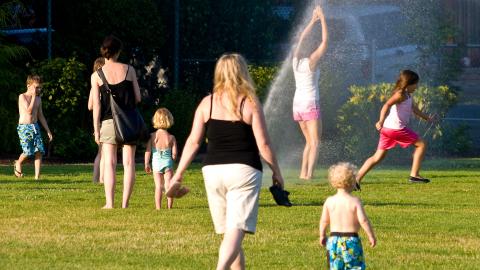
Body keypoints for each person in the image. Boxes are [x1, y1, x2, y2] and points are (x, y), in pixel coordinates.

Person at [167, 53, 285, 270]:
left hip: (213, 173)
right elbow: (264, 145)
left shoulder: (207, 103)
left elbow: (193, 142)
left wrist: (178, 173)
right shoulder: (249, 103)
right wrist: (276, 172)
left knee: (230, 235)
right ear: (243, 72)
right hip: (244, 171)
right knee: (235, 231)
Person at [355, 70, 433, 189]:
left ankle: (356, 179)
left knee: (377, 157)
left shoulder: (408, 95)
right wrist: (380, 120)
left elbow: (415, 109)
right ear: (408, 83)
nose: (417, 86)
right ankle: (414, 175)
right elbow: (386, 105)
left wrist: (427, 118)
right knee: (421, 144)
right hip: (396, 129)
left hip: (387, 129)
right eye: (416, 84)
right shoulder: (400, 94)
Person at [91, 35, 141, 209]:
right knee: (129, 163)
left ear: (103, 52)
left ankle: (110, 203)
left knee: (110, 163)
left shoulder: (96, 75)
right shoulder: (129, 70)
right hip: (128, 121)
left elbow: (96, 106)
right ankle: (125, 204)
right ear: (118, 51)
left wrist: (96, 129)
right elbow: (138, 98)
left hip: (107, 122)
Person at [292, 5, 328, 180]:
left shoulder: (295, 61)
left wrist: (312, 21)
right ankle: (309, 175)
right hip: (310, 103)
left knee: (308, 142)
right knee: (315, 142)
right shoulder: (311, 61)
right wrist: (322, 19)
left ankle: (302, 174)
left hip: (298, 105)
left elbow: (301, 38)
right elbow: (325, 42)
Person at [319, 162, 376, 270]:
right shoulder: (355, 201)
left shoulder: (329, 201)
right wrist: (370, 235)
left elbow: (324, 221)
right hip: (351, 241)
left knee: (335, 267)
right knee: (355, 266)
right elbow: (363, 220)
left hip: (333, 240)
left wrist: (322, 235)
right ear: (353, 182)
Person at [14, 75, 53, 180]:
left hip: (35, 127)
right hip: (24, 128)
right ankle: (18, 163)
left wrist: (48, 130)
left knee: (39, 151)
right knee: (28, 152)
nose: (38, 90)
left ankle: (37, 177)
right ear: (28, 86)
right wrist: (34, 97)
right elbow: (29, 111)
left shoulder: (39, 99)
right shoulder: (22, 97)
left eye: (39, 87)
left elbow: (40, 115)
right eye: (36, 87)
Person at [144, 108, 177, 209]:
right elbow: (174, 154)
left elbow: (148, 151)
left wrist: (146, 163)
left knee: (158, 186)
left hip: (156, 164)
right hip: (168, 163)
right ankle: (169, 207)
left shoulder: (152, 136)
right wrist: (173, 160)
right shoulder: (171, 137)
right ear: (169, 120)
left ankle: (158, 207)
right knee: (168, 186)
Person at [88, 57, 105, 184]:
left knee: (100, 152)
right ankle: (102, 178)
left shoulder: (93, 87)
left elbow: (90, 106)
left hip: (97, 121)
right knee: (105, 152)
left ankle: (96, 178)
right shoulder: (104, 86)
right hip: (105, 119)